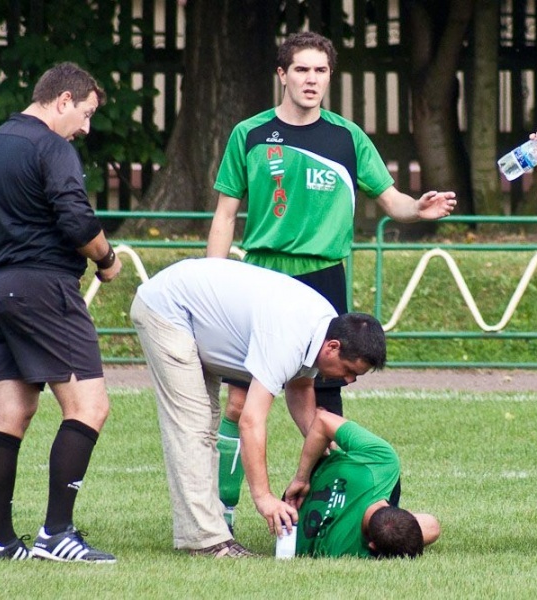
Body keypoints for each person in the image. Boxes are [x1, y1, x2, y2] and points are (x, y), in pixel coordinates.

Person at [206, 31, 457, 529]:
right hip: (262, 274)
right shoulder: (250, 134)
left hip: (323, 279)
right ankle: (224, 515)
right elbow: (224, 215)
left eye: (320, 70)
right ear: (282, 75)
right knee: (239, 401)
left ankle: (323, 510)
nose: (311, 79)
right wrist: (216, 277)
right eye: (301, 69)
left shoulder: (346, 137)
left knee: (320, 402)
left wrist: (418, 208)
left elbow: (393, 202)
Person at [0, 62, 121, 563]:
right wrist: (107, 259)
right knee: (89, 406)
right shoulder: (51, 147)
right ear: (63, 100)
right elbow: (76, 217)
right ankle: (57, 534)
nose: (86, 128)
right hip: (41, 285)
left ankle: (1, 541)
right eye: (87, 114)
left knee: (10, 413)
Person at [130, 257, 387, 558]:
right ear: (333, 347)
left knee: (204, 425)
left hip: (197, 312)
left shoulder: (326, 326)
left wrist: (324, 450)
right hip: (168, 308)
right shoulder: (289, 337)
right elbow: (250, 421)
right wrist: (263, 497)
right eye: (348, 370)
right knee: (194, 426)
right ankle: (205, 541)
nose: (348, 380)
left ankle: (208, 530)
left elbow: (300, 385)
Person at [283, 409, 440, 558]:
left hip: (308, 479)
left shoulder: (384, 461)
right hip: (287, 515)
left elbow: (322, 418)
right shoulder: (343, 551)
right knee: (426, 529)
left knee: (419, 529)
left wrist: (301, 479)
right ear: (371, 545)